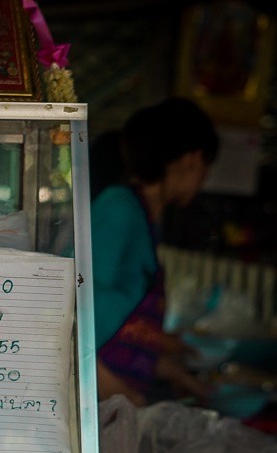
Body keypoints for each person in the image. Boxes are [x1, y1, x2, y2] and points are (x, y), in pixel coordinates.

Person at [90, 96, 220, 406]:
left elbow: (120, 320)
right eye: (205, 168)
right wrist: (123, 397)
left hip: (114, 395)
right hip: (101, 395)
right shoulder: (119, 209)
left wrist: (178, 375)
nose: (203, 179)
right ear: (193, 159)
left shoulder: (144, 217)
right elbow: (77, 311)